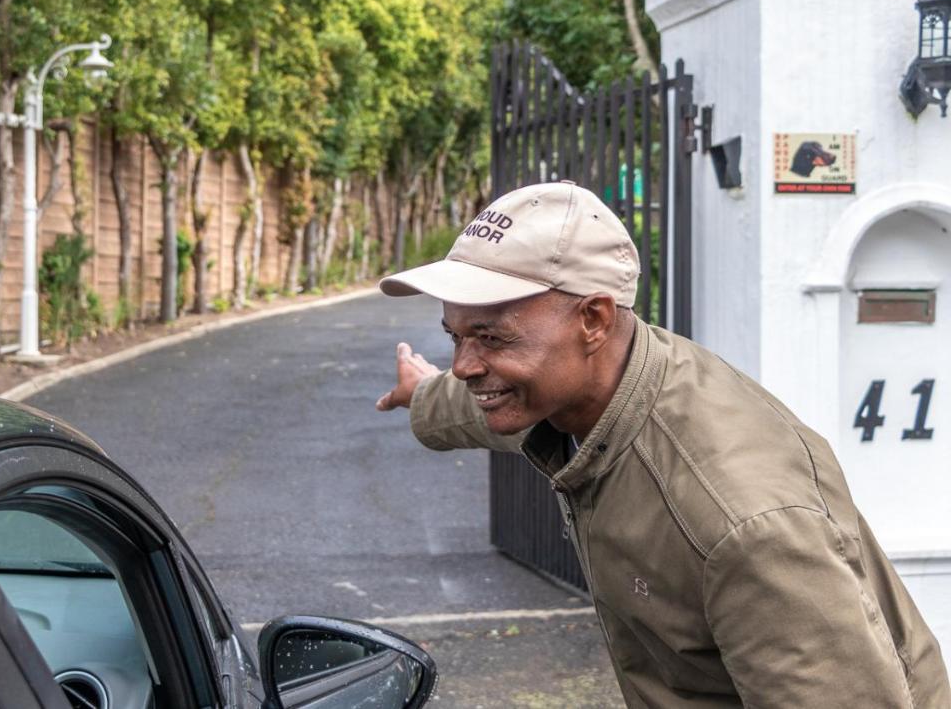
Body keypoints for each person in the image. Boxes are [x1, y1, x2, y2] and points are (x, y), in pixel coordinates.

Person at [375, 181, 950, 708]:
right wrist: (422, 393)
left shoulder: (743, 524)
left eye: (491, 336)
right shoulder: (598, 379)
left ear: (594, 319)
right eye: (455, 336)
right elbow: (496, 400)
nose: (466, 365)